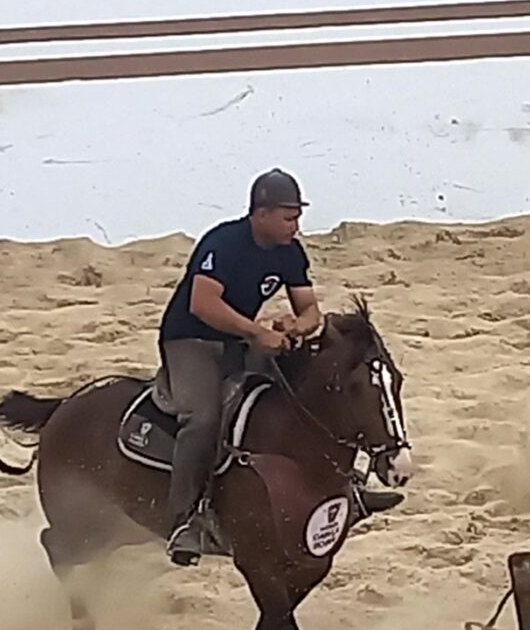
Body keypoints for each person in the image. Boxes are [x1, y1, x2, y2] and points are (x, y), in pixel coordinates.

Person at [156, 168, 387, 564]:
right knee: (203, 418)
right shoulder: (223, 243)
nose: (295, 225)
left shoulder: (290, 251)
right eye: (287, 216)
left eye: (298, 216)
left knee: (305, 388)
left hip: (238, 340)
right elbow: (202, 304)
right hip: (189, 340)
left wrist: (297, 325)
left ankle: (345, 485)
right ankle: (185, 521)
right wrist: (256, 332)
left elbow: (310, 308)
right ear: (259, 214)